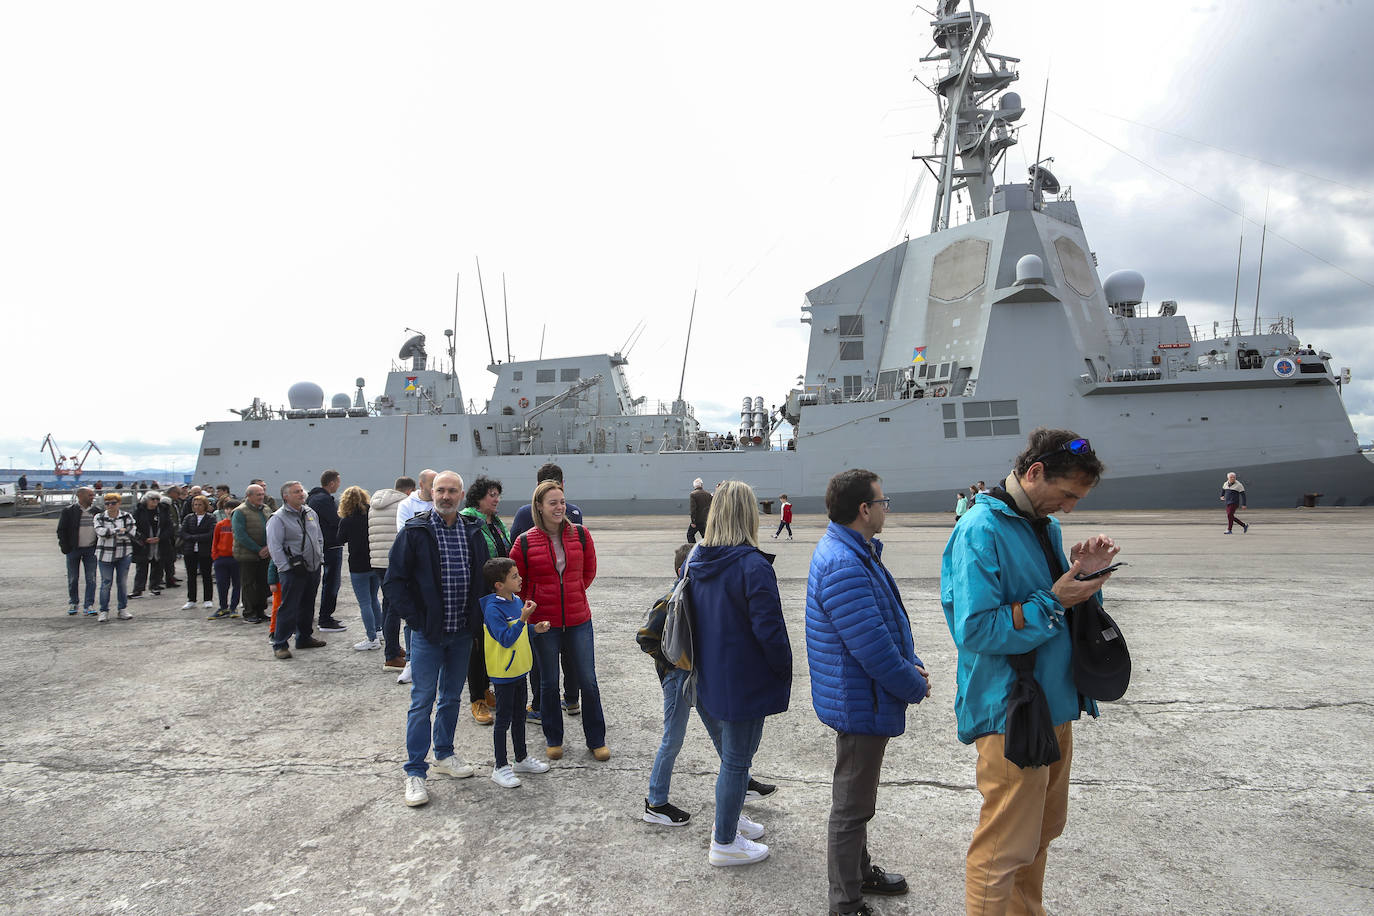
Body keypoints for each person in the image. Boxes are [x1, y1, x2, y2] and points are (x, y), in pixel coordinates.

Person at [941, 428, 1117, 916]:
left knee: (1040, 833)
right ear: (1035, 472)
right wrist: (1058, 597)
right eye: (1066, 495)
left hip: (1054, 703)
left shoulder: (1045, 527)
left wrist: (1086, 578)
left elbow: (1060, 612)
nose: (1070, 508)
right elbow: (975, 629)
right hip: (1011, 709)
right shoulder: (981, 529)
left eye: (1077, 499)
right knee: (1003, 848)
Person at [807, 469, 931, 915]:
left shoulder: (854, 551)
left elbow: (878, 627)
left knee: (855, 800)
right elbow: (873, 650)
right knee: (852, 806)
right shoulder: (845, 563)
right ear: (864, 509)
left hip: (859, 694)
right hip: (860, 698)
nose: (886, 508)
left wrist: (908, 663)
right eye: (883, 501)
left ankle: (858, 874)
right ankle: (845, 901)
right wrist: (913, 683)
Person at [638, 543, 779, 828]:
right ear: (683, 571)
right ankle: (655, 802)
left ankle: (742, 780)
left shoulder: (698, 597)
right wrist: (675, 662)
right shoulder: (671, 600)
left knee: (720, 731)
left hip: (697, 676)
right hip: (679, 679)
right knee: (673, 739)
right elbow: (645, 638)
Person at [689, 480, 792, 867]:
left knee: (733, 758)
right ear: (749, 515)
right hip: (745, 677)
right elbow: (770, 631)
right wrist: (783, 669)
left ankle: (729, 819)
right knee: (737, 760)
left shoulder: (697, 559)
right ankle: (724, 841)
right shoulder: (752, 565)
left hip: (709, 674)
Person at [384, 470, 482, 807]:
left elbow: (482, 579)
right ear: (430, 491)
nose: (445, 496)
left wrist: (478, 619)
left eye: (452, 491)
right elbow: (393, 581)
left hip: (461, 633)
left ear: (462, 494)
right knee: (422, 701)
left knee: (452, 698)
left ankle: (444, 754)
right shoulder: (416, 531)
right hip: (428, 635)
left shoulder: (472, 530)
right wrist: (416, 620)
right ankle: (415, 772)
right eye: (440, 490)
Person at [509, 479, 607, 762]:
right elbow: (517, 581)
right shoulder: (525, 541)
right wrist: (536, 601)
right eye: (553, 503)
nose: (559, 507)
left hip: (578, 619)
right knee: (548, 682)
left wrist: (572, 593)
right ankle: (554, 738)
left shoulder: (581, 535)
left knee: (588, 681)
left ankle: (596, 739)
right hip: (543, 623)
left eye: (562, 502)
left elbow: (588, 572)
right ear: (539, 506)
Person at [509, 463, 584, 721]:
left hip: (538, 605)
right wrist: (572, 589)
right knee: (571, 655)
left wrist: (529, 595)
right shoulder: (575, 512)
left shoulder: (522, 514)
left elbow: (515, 562)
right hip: (569, 602)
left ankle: (540, 706)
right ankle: (572, 700)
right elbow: (582, 568)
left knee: (541, 660)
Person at [480, 557, 553, 788]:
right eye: (514, 576)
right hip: (504, 673)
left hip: (520, 669)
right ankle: (500, 766)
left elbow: (519, 632)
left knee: (520, 716)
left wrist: (534, 628)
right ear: (499, 585)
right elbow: (505, 638)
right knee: (503, 720)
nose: (520, 579)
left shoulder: (516, 600)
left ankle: (520, 758)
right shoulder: (493, 609)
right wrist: (523, 619)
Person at [462, 476, 510, 726]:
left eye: (498, 494)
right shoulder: (469, 522)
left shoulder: (496, 523)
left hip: (499, 595)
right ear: (479, 498)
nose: (496, 499)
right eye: (492, 494)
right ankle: (477, 698)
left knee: (494, 644)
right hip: (478, 595)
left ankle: (486, 689)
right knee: (477, 648)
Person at [266, 481, 327, 659]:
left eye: (301, 491)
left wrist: (319, 557)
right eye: (296, 492)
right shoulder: (278, 518)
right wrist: (285, 568)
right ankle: (280, 644)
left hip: (313, 567)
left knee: (308, 605)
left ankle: (304, 638)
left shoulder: (310, 512)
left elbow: (319, 537)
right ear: (286, 496)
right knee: (289, 607)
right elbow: (274, 546)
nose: (301, 494)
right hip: (292, 570)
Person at [371, 476, 415, 675]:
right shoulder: (403, 504)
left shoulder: (374, 505)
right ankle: (391, 655)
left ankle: (394, 648)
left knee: (387, 605)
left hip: (378, 561)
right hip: (394, 562)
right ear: (408, 491)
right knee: (395, 609)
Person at [337, 485, 383, 650]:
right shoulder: (372, 516)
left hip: (357, 566)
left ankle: (372, 639)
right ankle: (379, 631)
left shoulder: (346, 521)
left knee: (364, 603)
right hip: (374, 562)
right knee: (374, 599)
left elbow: (340, 539)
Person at [308, 469, 347, 633]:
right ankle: (325, 618)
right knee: (331, 583)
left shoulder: (313, 498)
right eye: (338, 482)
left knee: (318, 583)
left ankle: (317, 617)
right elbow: (336, 520)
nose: (339, 485)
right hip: (330, 545)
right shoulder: (323, 500)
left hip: (321, 545)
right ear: (331, 483)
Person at [92, 493, 136, 623]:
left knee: (122, 583)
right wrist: (118, 531)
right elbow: (100, 532)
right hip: (104, 555)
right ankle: (104, 611)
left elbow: (131, 533)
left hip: (124, 554)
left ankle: (122, 609)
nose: (110, 506)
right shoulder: (99, 517)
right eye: (107, 503)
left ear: (119, 503)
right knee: (106, 583)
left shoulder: (127, 516)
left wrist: (111, 532)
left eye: (113, 503)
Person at [232, 484, 273, 624]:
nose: (261, 497)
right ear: (249, 496)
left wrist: (268, 547)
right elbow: (240, 535)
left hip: (265, 553)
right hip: (247, 554)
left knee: (263, 583)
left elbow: (272, 528)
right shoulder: (240, 512)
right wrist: (258, 549)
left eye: (262, 494)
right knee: (249, 584)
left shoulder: (266, 509)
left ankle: (261, 611)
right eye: (258, 494)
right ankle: (249, 612)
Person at [57, 487, 99, 616]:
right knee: (73, 578)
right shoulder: (69, 511)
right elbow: (61, 530)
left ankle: (89, 605)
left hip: (91, 549)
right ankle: (74, 602)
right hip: (73, 549)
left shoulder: (97, 512)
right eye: (90, 495)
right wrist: (65, 547)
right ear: (80, 496)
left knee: (91, 578)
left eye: (93, 495)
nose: (93, 497)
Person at [131, 491, 171, 598]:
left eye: (157, 499)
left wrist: (160, 538)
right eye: (152, 499)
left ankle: (155, 586)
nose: (155, 501)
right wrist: (144, 539)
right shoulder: (139, 511)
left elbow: (168, 526)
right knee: (141, 567)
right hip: (144, 543)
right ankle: (138, 590)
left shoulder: (163, 510)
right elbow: (134, 527)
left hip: (159, 542)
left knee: (158, 566)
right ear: (146, 500)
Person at [180, 495, 216, 610]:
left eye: (200, 504)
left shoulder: (210, 518)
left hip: (204, 551)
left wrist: (195, 537)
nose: (197, 507)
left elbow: (211, 534)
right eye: (195, 504)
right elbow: (183, 532)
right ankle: (191, 599)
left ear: (205, 505)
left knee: (206, 575)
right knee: (191, 576)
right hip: (190, 550)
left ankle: (208, 599)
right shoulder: (188, 518)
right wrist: (192, 538)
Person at [209, 498, 241, 618]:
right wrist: (215, 556)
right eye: (227, 508)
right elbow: (215, 541)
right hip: (221, 558)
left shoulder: (240, 524)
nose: (229, 511)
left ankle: (233, 607)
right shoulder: (220, 525)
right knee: (222, 584)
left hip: (236, 558)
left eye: (232, 508)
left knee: (237, 584)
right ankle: (223, 607)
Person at [688, 478, 712, 543]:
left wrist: (693, 521)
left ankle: (693, 548)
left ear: (694, 486)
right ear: (701, 485)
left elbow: (693, 509)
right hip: (705, 520)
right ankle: (707, 548)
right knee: (705, 536)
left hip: (697, 520)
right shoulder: (708, 494)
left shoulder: (693, 494)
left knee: (690, 534)